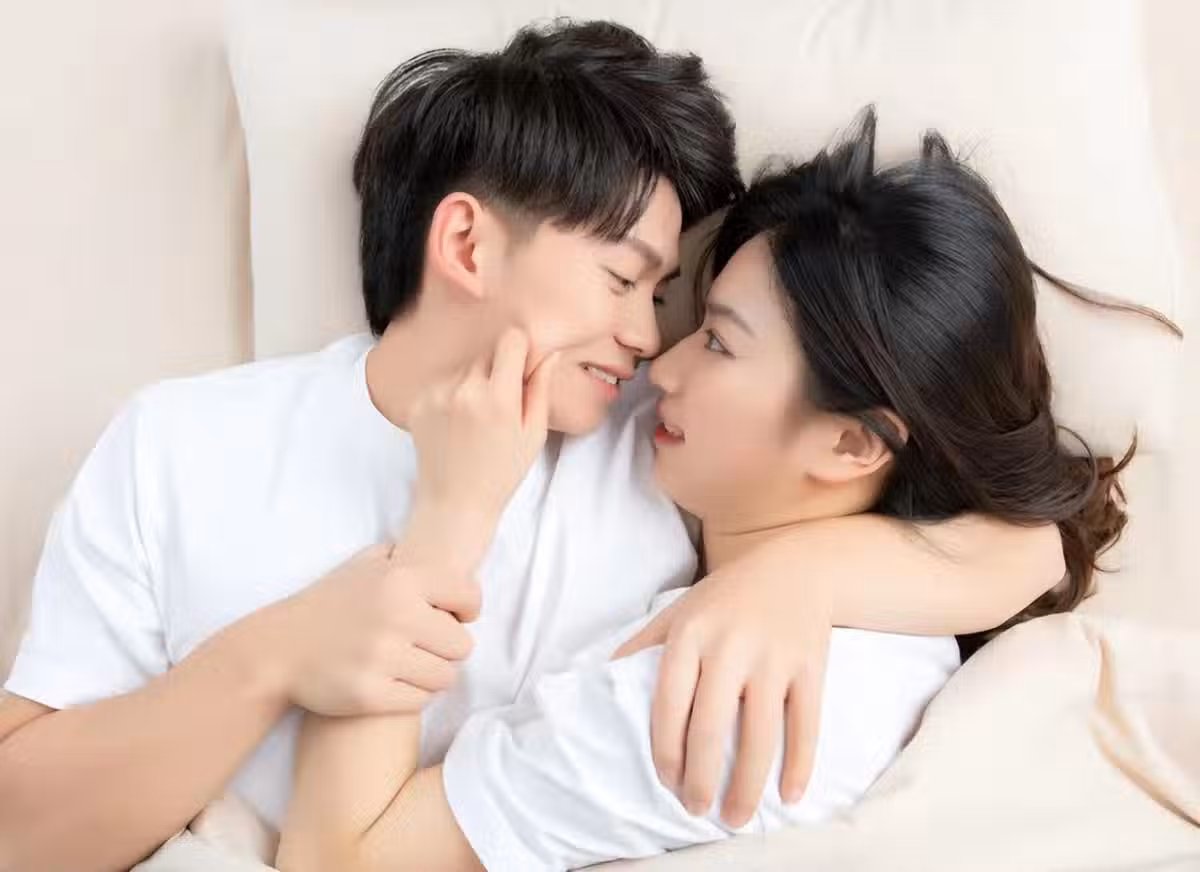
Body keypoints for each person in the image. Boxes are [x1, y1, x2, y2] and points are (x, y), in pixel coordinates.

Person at [0, 23, 1061, 872]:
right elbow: (18, 828)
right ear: (467, 241)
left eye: (667, 297)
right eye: (623, 279)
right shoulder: (179, 443)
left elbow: (1027, 543)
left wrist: (798, 576)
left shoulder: (660, 431)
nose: (650, 339)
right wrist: (270, 659)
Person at [274, 108, 1139, 872]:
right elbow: (1033, 540)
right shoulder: (826, 568)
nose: (660, 361)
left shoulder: (710, 703)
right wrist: (799, 574)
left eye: (718, 343)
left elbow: (337, 860)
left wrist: (441, 528)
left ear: (851, 441)